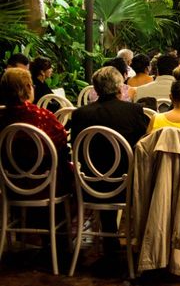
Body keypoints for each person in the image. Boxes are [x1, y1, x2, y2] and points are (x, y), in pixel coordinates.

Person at [69, 66, 149, 254]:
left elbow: (75, 147)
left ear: (95, 89)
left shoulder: (80, 114)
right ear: (120, 87)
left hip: (89, 185)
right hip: (127, 185)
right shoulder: (133, 111)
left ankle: (109, 240)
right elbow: (145, 145)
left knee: (102, 165)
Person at [0, 68, 72, 196]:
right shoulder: (41, 115)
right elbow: (61, 140)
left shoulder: (3, 116)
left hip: (10, 183)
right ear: (28, 87)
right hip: (45, 183)